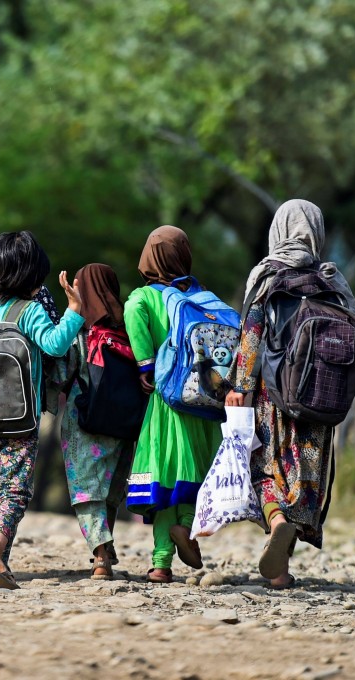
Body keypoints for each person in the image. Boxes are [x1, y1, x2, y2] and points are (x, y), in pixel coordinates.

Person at [225, 199, 355, 589]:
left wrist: (240, 387)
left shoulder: (268, 277)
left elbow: (252, 336)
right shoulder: (332, 280)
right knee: (304, 476)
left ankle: (276, 527)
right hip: (322, 397)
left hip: (273, 397)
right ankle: (282, 564)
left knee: (266, 469)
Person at [0, 231, 85, 591]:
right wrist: (74, 312)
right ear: (31, 276)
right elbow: (55, 345)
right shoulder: (31, 311)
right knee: (15, 491)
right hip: (20, 420)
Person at [124, 226, 221, 584]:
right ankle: (186, 527)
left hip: (166, 402)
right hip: (205, 402)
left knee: (166, 477)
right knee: (192, 474)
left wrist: (145, 364)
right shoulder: (203, 297)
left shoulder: (144, 297)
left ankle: (160, 562)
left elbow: (133, 315)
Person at [49, 264, 135, 580]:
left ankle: (100, 556)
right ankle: (105, 540)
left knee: (88, 490)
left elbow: (60, 375)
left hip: (83, 420)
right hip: (124, 423)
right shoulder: (130, 328)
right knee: (110, 488)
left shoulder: (81, 331)